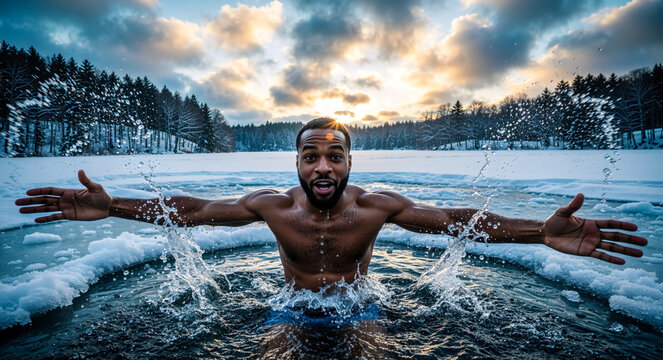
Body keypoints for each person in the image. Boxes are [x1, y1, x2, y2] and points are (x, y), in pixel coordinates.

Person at [15, 117, 648, 356]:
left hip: (364, 307)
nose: (323, 166)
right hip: (287, 307)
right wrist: (115, 206)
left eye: (334, 156)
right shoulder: (271, 205)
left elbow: (460, 221)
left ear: (350, 162)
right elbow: (193, 207)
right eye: (311, 156)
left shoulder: (377, 207)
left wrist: (542, 232)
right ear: (295, 163)